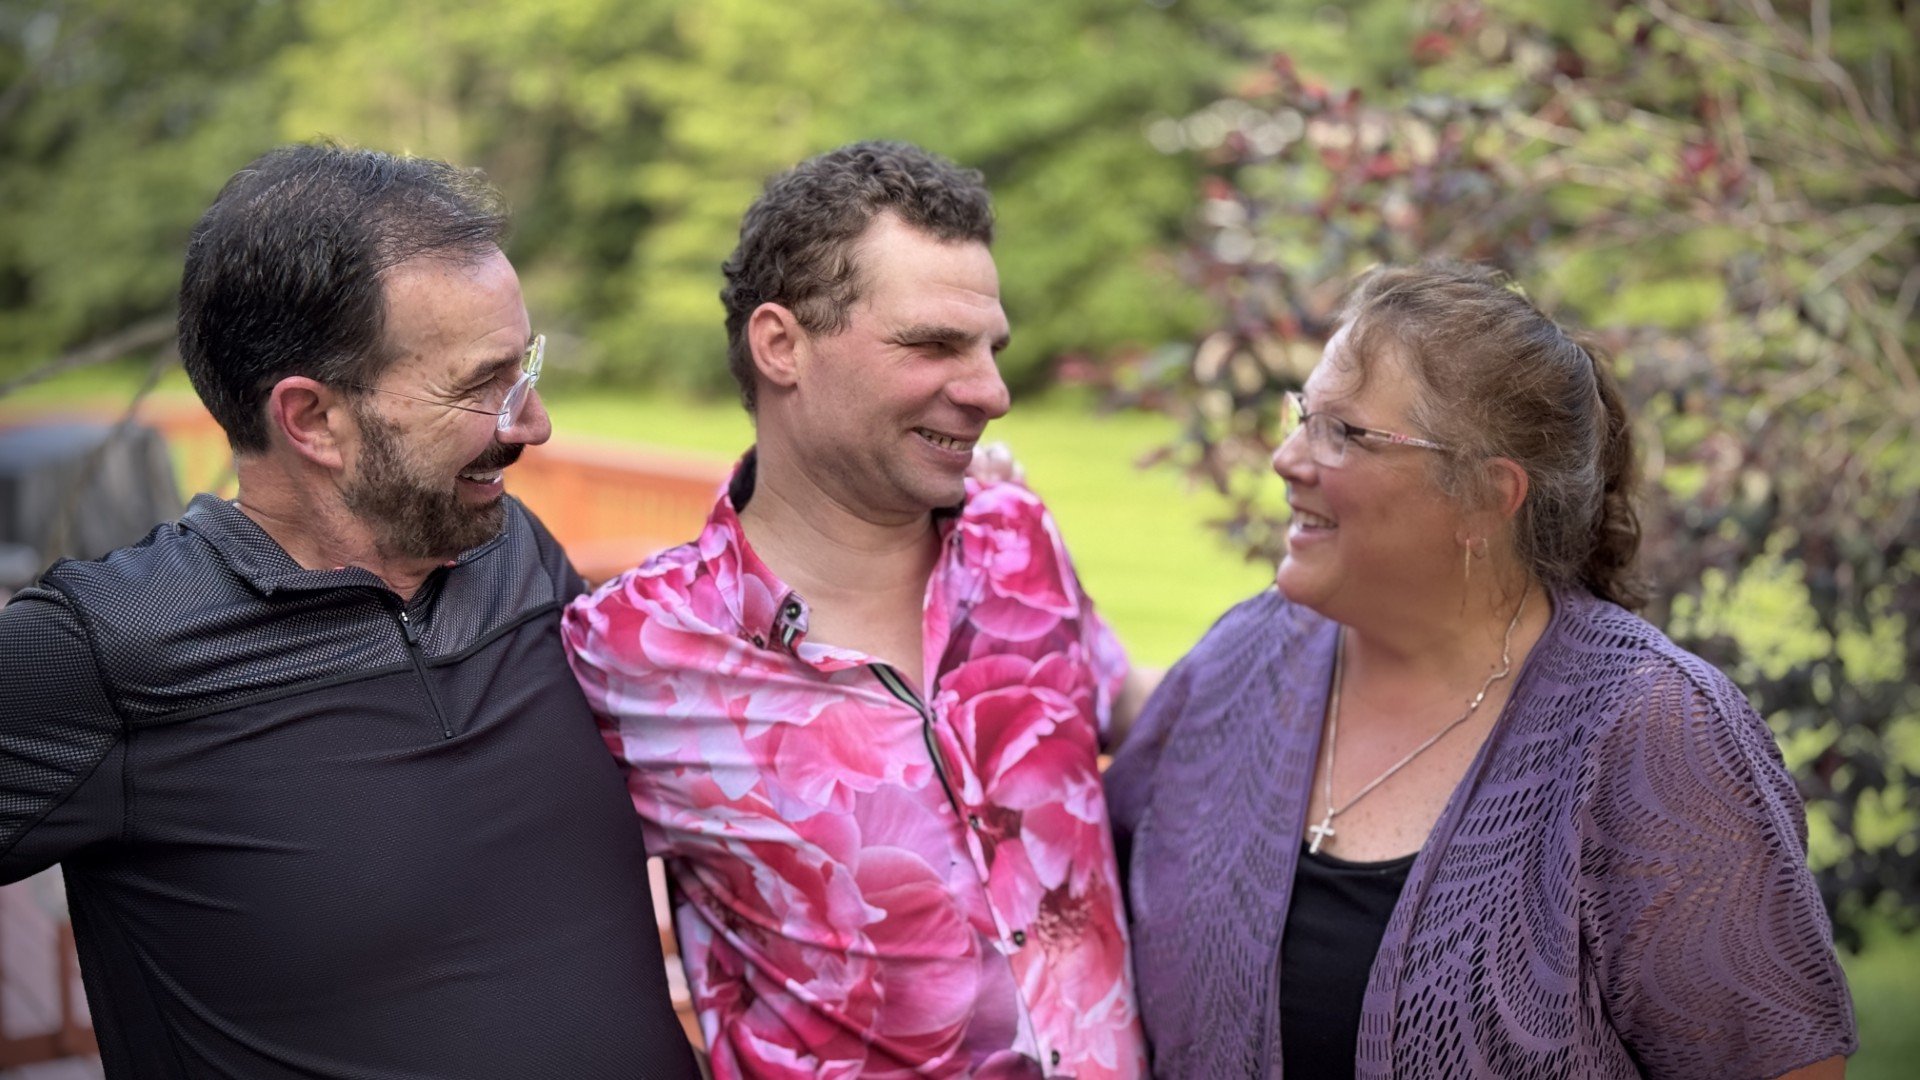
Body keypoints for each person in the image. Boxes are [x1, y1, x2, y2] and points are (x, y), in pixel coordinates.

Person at [0, 144, 699, 1080]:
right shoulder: (114, 648)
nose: (532, 424)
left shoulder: (519, 553)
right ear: (312, 419)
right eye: (482, 386)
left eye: (519, 367)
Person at [1105, 262, 1857, 1079]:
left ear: (1486, 497)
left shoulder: (1647, 732)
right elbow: (1062, 875)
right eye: (1302, 416)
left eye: (1342, 433)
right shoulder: (1247, 660)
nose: (1287, 459)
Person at [564, 141, 1150, 1079]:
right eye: (934, 345)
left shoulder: (1019, 539)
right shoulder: (633, 652)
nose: (993, 392)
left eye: (991, 348)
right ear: (781, 345)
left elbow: (1126, 702)